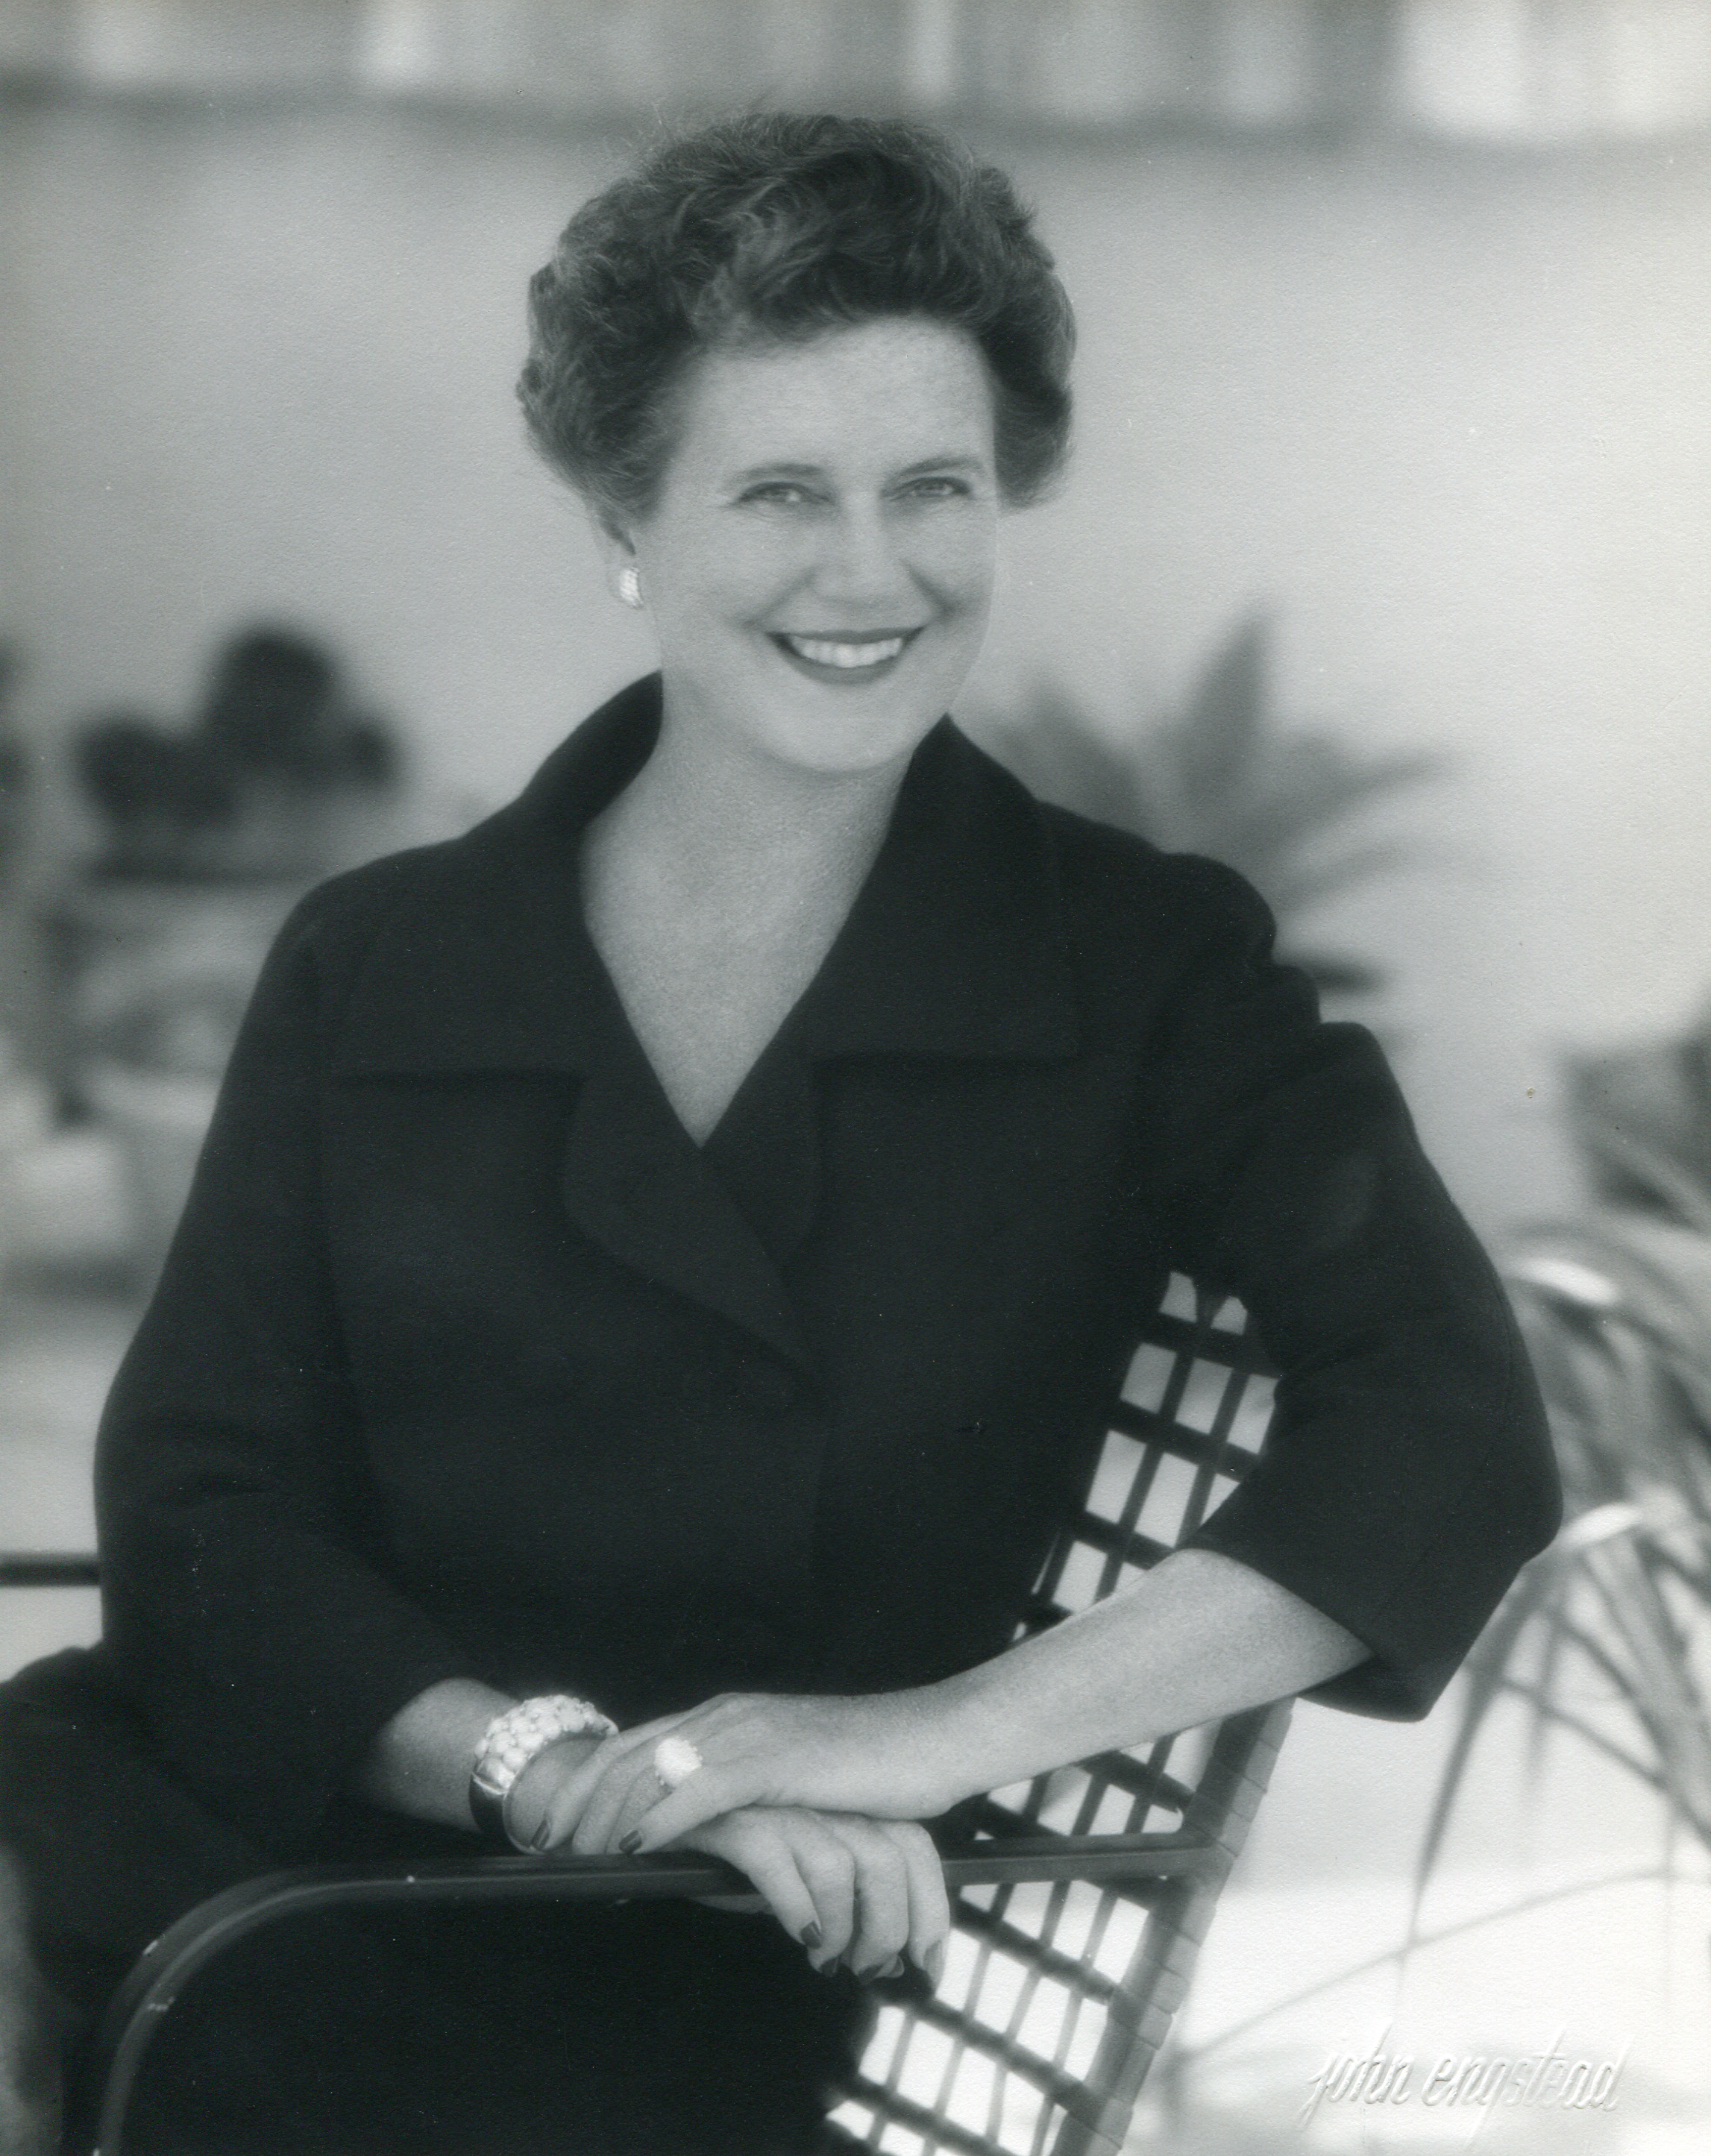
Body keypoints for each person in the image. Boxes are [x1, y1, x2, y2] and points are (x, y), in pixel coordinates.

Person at [0, 112, 1560, 2155]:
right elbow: (202, 1505)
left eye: (935, 486)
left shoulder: (1143, 969)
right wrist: (528, 1758)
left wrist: (921, 1740)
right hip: (275, 1822)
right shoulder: (379, 958)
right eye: (779, 491)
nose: (870, 570)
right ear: (624, 517)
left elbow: (1449, 1434)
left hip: (673, 1952)